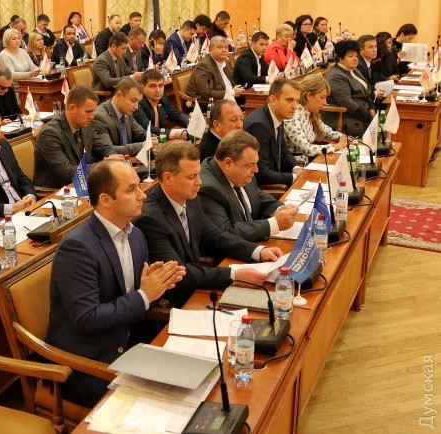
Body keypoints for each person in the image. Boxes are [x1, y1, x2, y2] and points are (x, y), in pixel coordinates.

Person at [46, 159, 185, 407]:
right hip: (88, 363)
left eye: (139, 186)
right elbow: (87, 318)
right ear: (106, 200)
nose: (143, 195)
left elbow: (133, 298)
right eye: (131, 190)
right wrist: (144, 295)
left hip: (132, 345)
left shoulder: (136, 235)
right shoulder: (78, 248)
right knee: (166, 406)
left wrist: (156, 286)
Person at [134, 141, 282, 307]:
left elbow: (215, 236)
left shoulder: (190, 198)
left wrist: (258, 251)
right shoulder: (150, 218)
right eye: (192, 177)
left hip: (200, 287)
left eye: (199, 174)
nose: (200, 182)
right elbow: (177, 274)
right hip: (177, 301)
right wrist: (234, 275)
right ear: (168, 178)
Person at [199, 131, 297, 242]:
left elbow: (257, 195)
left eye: (256, 163)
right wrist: (274, 224)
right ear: (228, 163)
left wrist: (280, 209)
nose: (256, 170)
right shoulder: (208, 189)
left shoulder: (242, 171)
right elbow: (225, 233)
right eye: (250, 165)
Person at [33, 86, 110, 188]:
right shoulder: (49, 134)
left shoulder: (84, 124)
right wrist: (104, 166)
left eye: (93, 111)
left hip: (82, 183)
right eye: (88, 112)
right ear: (72, 108)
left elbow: (103, 148)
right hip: (57, 190)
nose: (92, 116)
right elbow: (68, 172)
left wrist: (113, 157)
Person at [243, 79, 303, 187]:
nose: (295, 106)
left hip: (279, 177)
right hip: (266, 188)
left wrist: (296, 168)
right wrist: (293, 177)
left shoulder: (278, 115)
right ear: (273, 100)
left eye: (297, 101)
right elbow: (261, 172)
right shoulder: (258, 126)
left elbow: (284, 151)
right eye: (289, 100)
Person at [284, 74, 347, 165]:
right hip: (297, 166)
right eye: (322, 97)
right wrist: (336, 146)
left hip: (310, 161)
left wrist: (343, 137)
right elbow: (308, 149)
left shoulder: (310, 113)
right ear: (309, 95)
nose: (325, 102)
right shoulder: (292, 117)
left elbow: (327, 131)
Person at [323, 40, 378, 137]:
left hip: (360, 111)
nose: (355, 59)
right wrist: (367, 116)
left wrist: (372, 107)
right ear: (341, 59)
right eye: (350, 56)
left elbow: (365, 92)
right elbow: (346, 102)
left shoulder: (353, 70)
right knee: (376, 132)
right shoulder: (337, 76)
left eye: (356, 56)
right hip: (344, 115)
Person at [92, 78, 155, 156]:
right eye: (133, 101)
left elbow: (140, 133)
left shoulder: (126, 110)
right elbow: (109, 150)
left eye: (138, 102)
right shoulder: (99, 117)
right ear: (119, 95)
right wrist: (143, 145)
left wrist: (156, 138)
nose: (136, 107)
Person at [186, 36, 243, 102]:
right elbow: (207, 94)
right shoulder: (204, 66)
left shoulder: (224, 61)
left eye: (226, 47)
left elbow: (230, 83)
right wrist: (232, 92)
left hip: (229, 98)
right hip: (207, 103)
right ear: (211, 50)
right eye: (220, 47)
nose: (224, 50)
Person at [134, 68, 188, 138]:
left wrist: (191, 123)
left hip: (161, 139)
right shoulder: (137, 103)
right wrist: (174, 134)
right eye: (152, 86)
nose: (158, 90)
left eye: (161, 86)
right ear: (142, 87)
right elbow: (147, 129)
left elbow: (176, 115)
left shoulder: (163, 98)